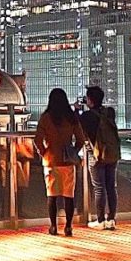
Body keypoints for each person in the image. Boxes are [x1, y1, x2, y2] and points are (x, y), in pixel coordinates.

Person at [34, 88, 86, 237]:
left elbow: (37, 140)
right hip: (67, 162)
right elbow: (81, 140)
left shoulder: (46, 118)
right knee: (68, 195)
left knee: (52, 195)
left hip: (50, 160)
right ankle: (68, 226)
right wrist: (73, 152)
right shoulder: (71, 118)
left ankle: (53, 226)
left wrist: (44, 152)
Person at [79, 86, 120, 230]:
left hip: (96, 156)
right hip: (111, 153)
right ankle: (112, 219)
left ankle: (100, 219)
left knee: (99, 188)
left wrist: (78, 109)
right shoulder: (110, 112)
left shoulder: (86, 116)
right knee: (111, 186)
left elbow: (79, 127)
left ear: (90, 100)